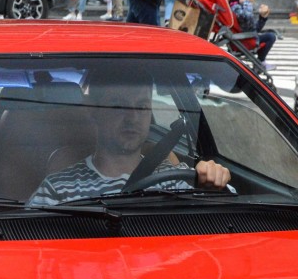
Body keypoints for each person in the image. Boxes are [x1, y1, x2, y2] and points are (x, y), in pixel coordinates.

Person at [29, 69, 229, 206]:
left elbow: (229, 217)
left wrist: (213, 183)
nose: (133, 117)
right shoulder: (59, 188)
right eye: (118, 106)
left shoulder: (174, 177)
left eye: (142, 107)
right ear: (93, 111)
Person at [228, 0, 276, 65]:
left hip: (245, 37)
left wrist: (262, 17)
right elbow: (247, 17)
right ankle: (260, 61)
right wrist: (247, 2)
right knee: (271, 37)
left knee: (270, 35)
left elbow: (253, 28)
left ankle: (261, 62)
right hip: (244, 40)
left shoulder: (238, 7)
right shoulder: (236, 7)